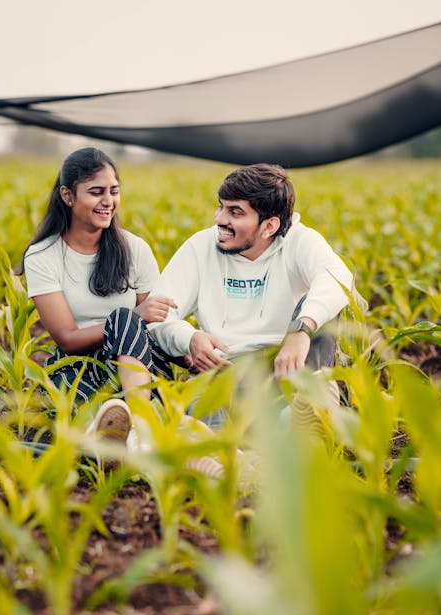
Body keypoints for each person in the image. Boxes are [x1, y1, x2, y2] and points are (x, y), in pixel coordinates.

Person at [148, 163, 354, 424]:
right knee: (204, 412)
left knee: (320, 310)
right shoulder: (200, 247)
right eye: (221, 207)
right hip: (224, 372)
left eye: (235, 212)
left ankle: (307, 406)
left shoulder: (300, 241)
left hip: (284, 371)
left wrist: (300, 330)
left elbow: (338, 278)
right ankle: (228, 455)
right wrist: (190, 338)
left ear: (269, 226)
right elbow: (159, 315)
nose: (220, 219)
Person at [20, 147, 176, 440]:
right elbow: (66, 338)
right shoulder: (43, 255)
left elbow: (156, 324)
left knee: (124, 321)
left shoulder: (135, 249)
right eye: (96, 192)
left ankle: (138, 426)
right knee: (122, 320)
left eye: (114, 191)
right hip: (81, 364)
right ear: (68, 196)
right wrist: (131, 317)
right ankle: (131, 424)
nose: (108, 201)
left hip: (140, 365)